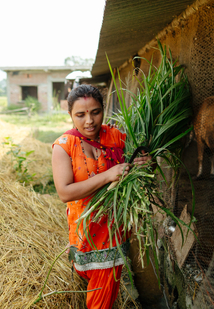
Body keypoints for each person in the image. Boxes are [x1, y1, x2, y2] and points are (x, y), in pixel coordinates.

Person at [52, 84, 149, 308]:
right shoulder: (64, 146)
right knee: (98, 294)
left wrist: (142, 163)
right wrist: (107, 176)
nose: (89, 121)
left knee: (102, 299)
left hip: (113, 231)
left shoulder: (116, 137)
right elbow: (64, 192)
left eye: (95, 112)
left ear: (103, 110)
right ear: (70, 115)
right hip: (84, 232)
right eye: (80, 114)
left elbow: (134, 164)